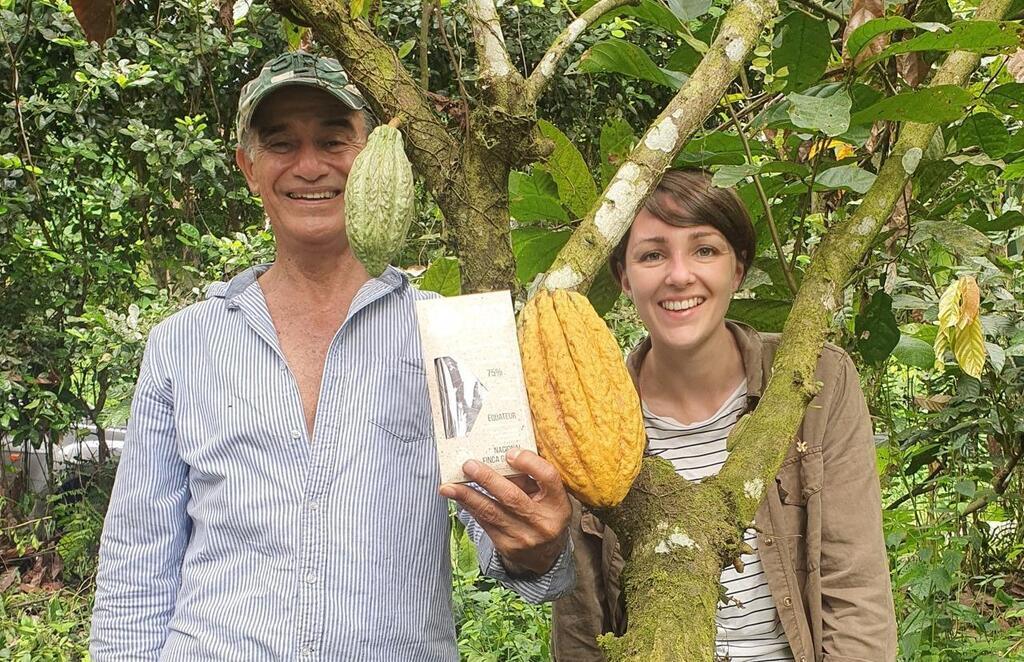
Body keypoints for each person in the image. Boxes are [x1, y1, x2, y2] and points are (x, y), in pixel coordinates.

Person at [89, 51, 573, 661]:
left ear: (373, 156)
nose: (310, 166)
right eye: (282, 143)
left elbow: (510, 534)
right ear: (248, 166)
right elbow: (137, 564)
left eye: (334, 139)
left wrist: (535, 544)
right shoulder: (184, 344)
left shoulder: (447, 332)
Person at [550, 169, 896, 662]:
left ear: (738, 268)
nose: (679, 274)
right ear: (624, 278)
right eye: (652, 254)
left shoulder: (814, 379)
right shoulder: (586, 419)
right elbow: (582, 620)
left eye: (705, 249)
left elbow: (856, 593)